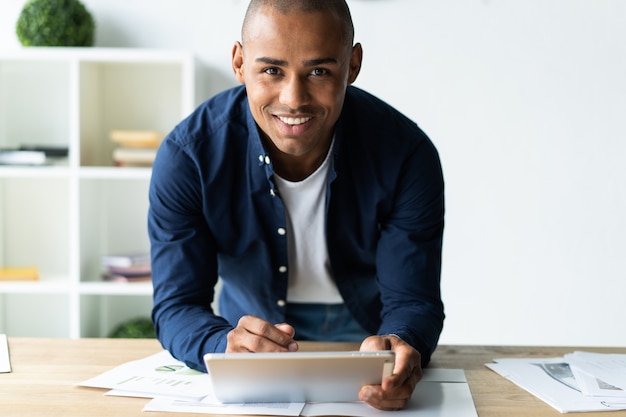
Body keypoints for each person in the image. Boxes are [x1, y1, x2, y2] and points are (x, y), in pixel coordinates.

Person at [148, 0, 444, 411]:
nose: (294, 99)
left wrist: (401, 343)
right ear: (239, 62)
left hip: (366, 333)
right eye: (271, 70)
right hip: (251, 332)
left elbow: (413, 301)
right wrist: (224, 344)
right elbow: (177, 305)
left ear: (353, 64)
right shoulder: (188, 157)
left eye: (319, 71)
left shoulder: (407, 154)